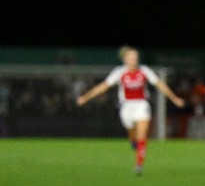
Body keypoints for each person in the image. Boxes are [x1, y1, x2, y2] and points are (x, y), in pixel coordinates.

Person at [76, 45, 185, 174]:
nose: (134, 60)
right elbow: (103, 86)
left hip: (141, 104)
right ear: (125, 59)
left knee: (142, 132)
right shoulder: (119, 72)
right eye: (131, 57)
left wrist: (174, 98)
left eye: (135, 57)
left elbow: (159, 84)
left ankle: (139, 164)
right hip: (126, 107)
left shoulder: (144, 70)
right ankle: (134, 143)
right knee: (133, 134)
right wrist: (86, 97)